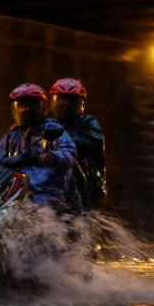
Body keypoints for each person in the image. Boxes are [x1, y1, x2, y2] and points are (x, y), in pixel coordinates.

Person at [0, 83, 77, 210]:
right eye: (19, 107)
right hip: (16, 189)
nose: (23, 111)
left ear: (43, 108)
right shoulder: (12, 135)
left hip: (46, 191)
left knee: (42, 213)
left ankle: (49, 229)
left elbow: (70, 153)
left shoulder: (52, 129)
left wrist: (52, 156)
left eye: (29, 107)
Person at [49, 78, 106, 213]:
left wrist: (56, 140)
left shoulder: (88, 122)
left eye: (71, 102)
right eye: (61, 101)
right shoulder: (49, 124)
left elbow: (91, 142)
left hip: (84, 187)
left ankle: (79, 214)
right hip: (52, 185)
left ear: (81, 104)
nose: (65, 106)